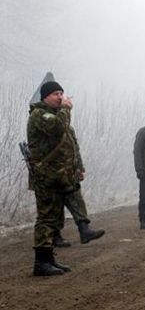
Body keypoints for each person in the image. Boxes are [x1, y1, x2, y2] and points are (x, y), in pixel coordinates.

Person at [27, 81, 82, 275]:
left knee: (52, 219)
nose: (60, 97)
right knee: (45, 219)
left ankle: (48, 260)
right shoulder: (40, 114)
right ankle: (41, 263)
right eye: (55, 94)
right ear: (45, 97)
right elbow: (58, 128)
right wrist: (66, 109)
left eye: (61, 93)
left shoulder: (51, 114)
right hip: (44, 177)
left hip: (54, 176)